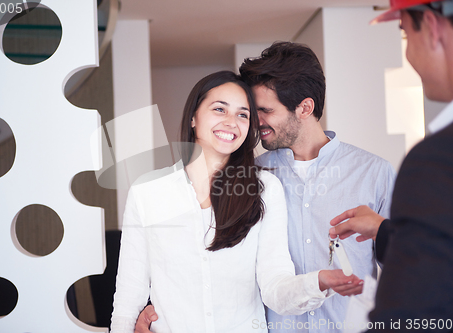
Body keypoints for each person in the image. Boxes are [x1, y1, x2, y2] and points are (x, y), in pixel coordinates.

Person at [110, 71, 362, 333]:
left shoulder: (264, 189)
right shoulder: (147, 192)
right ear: (194, 117)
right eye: (220, 109)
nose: (232, 122)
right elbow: (129, 294)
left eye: (243, 115)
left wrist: (318, 282)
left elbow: (275, 285)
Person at [238, 42, 396, 333]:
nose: (255, 121)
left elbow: (402, 272)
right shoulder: (253, 175)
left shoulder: (374, 173)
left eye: (265, 110)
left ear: (305, 107)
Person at [329, 0, 453, 330]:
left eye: (404, 35)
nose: (409, 56)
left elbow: (412, 316)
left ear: (431, 26)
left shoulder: (438, 158)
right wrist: (386, 232)